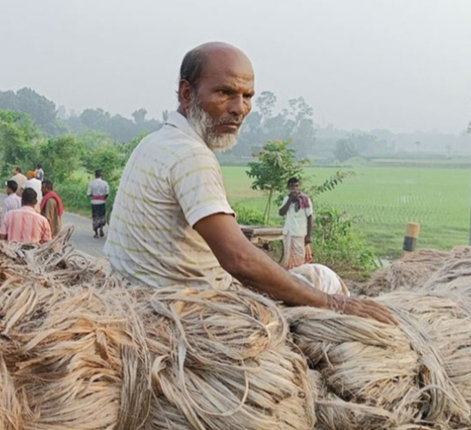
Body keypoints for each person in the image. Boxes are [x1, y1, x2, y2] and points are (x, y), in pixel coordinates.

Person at [103, 42, 393, 325]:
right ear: (186, 93)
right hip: (187, 310)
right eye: (224, 93)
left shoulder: (154, 142)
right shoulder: (191, 155)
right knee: (322, 279)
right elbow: (238, 259)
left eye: (247, 96)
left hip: (139, 295)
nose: (239, 108)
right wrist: (335, 303)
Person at [279, 177, 314, 269]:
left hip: (300, 234)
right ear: (288, 187)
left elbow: (310, 217)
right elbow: (281, 212)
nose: (294, 188)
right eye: (292, 186)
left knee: (300, 260)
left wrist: (309, 235)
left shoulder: (305, 200)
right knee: (288, 260)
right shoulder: (287, 199)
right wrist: (290, 199)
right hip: (289, 233)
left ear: (299, 187)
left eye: (296, 186)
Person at [87, 169, 110, 238]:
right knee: (101, 216)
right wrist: (103, 198)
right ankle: (101, 228)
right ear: (101, 175)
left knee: (95, 217)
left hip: (94, 203)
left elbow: (89, 193)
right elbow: (107, 193)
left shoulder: (91, 183)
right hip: (102, 202)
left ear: (95, 175)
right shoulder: (105, 183)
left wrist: (93, 197)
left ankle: (96, 233)